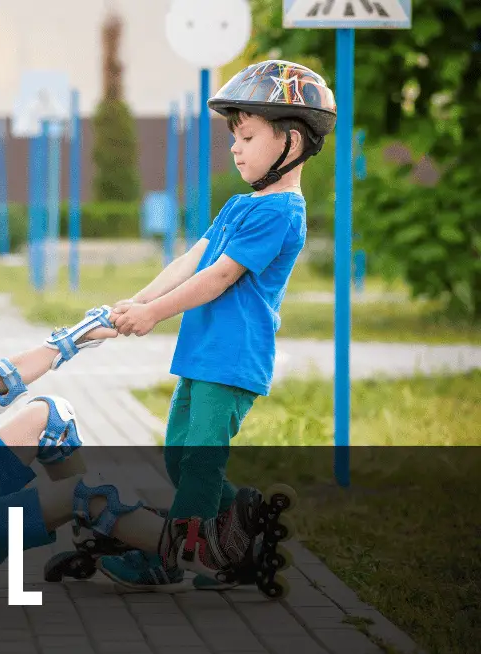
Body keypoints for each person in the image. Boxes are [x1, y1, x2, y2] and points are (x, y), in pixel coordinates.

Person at [0, 261, 265, 608]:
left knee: (50, 415)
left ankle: (95, 533)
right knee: (89, 492)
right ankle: (207, 556)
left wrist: (76, 336)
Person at [98, 59, 337, 591]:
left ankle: (169, 557)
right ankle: (245, 519)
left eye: (247, 136)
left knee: (200, 466)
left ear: (292, 144)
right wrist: (134, 302)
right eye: (235, 136)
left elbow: (219, 279)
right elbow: (193, 260)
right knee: (181, 461)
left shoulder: (281, 214)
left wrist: (154, 315)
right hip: (203, 353)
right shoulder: (239, 206)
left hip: (232, 359)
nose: (235, 147)